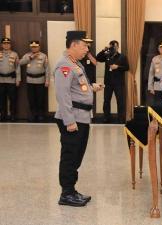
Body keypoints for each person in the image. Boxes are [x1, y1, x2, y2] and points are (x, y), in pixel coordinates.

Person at [54, 30, 104, 207]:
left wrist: (92, 87)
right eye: (84, 46)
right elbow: (63, 95)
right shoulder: (64, 66)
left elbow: (77, 87)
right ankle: (66, 194)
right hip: (73, 118)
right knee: (69, 156)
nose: (87, 49)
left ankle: (71, 190)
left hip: (82, 117)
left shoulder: (75, 63)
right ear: (74, 45)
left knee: (76, 156)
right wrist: (69, 121)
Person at [96, 40, 129, 123]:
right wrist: (103, 50)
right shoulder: (106, 55)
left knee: (120, 101)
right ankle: (106, 117)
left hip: (119, 83)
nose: (113, 48)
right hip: (108, 82)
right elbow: (98, 58)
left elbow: (127, 67)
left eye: (115, 46)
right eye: (111, 46)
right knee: (106, 101)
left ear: (118, 47)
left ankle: (121, 118)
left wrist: (117, 67)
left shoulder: (122, 56)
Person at [19, 41, 50, 122]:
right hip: (30, 81)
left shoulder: (43, 56)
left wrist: (47, 80)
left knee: (40, 99)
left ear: (39, 47)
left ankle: (40, 115)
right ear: (30, 47)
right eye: (32, 47)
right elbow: (19, 63)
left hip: (40, 80)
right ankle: (33, 114)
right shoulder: (27, 55)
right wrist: (30, 58)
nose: (34, 48)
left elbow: (47, 69)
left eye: (36, 46)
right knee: (31, 99)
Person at [0, 38, 21, 122]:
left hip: (11, 80)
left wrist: (18, 79)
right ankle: (2, 115)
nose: (6, 45)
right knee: (1, 99)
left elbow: (18, 67)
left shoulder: (14, 54)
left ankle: (13, 115)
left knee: (13, 99)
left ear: (10, 45)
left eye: (8, 43)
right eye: (4, 43)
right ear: (2, 45)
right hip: (1, 80)